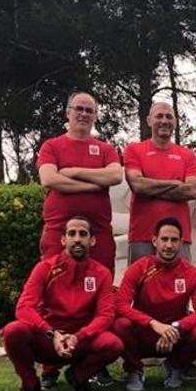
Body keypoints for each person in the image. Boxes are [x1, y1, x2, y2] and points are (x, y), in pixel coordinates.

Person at [1, 216, 122, 391]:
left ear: (92, 240)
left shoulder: (102, 273)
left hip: (80, 342)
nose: (77, 239)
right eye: (72, 234)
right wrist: (52, 334)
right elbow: (24, 308)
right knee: (13, 331)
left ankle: (78, 376)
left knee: (113, 344)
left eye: (83, 234)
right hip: (49, 341)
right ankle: (30, 384)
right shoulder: (44, 268)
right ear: (63, 239)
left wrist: (79, 336)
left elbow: (105, 315)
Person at [113, 217, 196, 391]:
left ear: (181, 243)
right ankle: (134, 369)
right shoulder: (139, 268)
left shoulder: (191, 273)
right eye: (164, 239)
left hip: (174, 337)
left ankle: (175, 365)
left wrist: (176, 327)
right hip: (144, 334)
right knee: (120, 325)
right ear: (154, 241)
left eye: (174, 240)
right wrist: (153, 324)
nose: (168, 245)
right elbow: (120, 305)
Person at [36, 91, 122, 274]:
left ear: (95, 116)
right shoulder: (51, 146)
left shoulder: (105, 149)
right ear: (68, 113)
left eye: (89, 111)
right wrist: (93, 185)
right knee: (55, 284)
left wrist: (74, 172)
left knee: (100, 284)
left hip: (98, 234)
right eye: (79, 109)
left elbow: (115, 176)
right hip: (58, 232)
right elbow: (49, 179)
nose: (84, 114)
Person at [124, 102, 196, 264]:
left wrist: (150, 187)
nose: (164, 121)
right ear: (149, 120)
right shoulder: (134, 150)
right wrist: (175, 183)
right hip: (142, 235)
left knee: (181, 288)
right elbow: (137, 185)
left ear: (175, 122)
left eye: (169, 117)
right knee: (140, 287)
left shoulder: (187, 155)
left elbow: (193, 191)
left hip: (179, 237)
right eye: (159, 116)